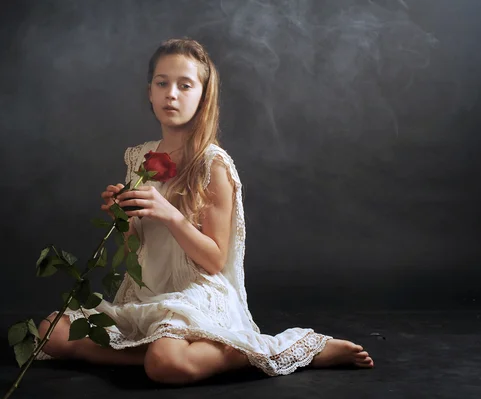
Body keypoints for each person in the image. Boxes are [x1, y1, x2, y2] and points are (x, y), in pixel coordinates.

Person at [37, 37, 374, 385]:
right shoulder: (139, 158)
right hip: (150, 290)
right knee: (51, 332)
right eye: (162, 83)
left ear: (202, 96)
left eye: (185, 85)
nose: (171, 94)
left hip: (196, 292)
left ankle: (279, 348)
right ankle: (153, 354)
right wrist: (120, 218)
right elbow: (134, 251)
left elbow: (214, 260)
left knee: (166, 365)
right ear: (149, 92)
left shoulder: (213, 164)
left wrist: (171, 214)